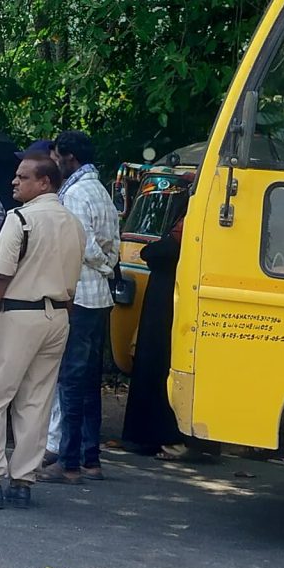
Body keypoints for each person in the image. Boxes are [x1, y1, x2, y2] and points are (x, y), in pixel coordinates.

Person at [0, 152, 84, 509]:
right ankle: (22, 481)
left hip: (18, 314)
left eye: (23, 177)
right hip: (57, 316)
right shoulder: (73, 222)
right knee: (36, 402)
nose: (14, 181)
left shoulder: (20, 219)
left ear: (45, 182)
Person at [43, 129, 120, 484]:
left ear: (68, 157)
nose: (54, 161)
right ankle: (91, 459)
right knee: (88, 381)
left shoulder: (73, 193)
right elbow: (112, 241)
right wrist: (107, 264)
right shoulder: (99, 189)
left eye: (57, 155)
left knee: (71, 381)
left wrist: (101, 263)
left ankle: (69, 462)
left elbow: (79, 241)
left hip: (81, 294)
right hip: (99, 295)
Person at [121, 185, 210, 459]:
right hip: (170, 305)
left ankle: (160, 437)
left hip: (166, 310)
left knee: (156, 368)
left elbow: (160, 251)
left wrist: (151, 251)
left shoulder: (188, 223)